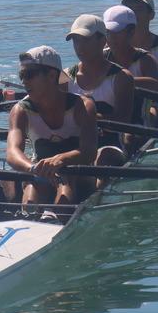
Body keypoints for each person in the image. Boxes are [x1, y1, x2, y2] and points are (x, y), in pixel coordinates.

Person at [5, 45, 96, 215]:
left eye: (30, 75)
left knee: (65, 186)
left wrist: (61, 159)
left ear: (52, 75)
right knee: (32, 191)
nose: (24, 81)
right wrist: (33, 168)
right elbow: (12, 153)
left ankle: (60, 217)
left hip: (78, 172)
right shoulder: (21, 111)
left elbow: (89, 151)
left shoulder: (83, 106)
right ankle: (30, 219)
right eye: (21, 76)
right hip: (40, 172)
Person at [65, 13, 136, 162]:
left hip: (110, 145)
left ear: (103, 41)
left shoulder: (122, 77)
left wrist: (87, 118)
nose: (79, 47)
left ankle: (96, 183)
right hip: (74, 145)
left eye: (85, 40)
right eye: (75, 41)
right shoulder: (65, 77)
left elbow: (122, 122)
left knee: (104, 157)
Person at [121, 0, 158, 84]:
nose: (132, 13)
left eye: (138, 9)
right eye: (129, 9)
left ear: (151, 15)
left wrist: (126, 81)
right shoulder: (111, 43)